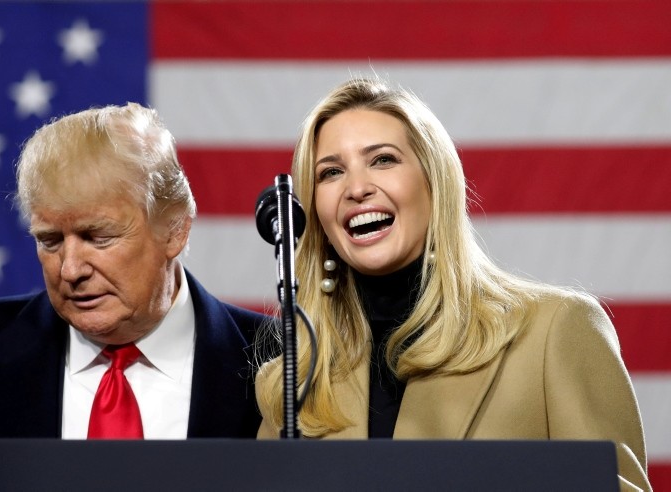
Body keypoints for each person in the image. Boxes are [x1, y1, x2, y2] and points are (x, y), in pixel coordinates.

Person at [254, 78, 651, 491]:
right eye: (331, 172)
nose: (357, 189)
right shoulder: (293, 382)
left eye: (383, 160)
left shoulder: (556, 332)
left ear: (435, 181)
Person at [0, 102, 268, 492]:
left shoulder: (287, 360)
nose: (70, 269)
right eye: (50, 240)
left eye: (98, 237)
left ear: (176, 230)